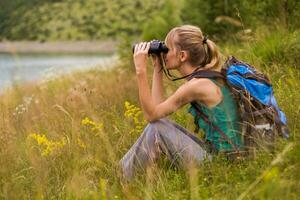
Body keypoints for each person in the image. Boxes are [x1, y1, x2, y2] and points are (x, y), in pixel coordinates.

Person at [119, 25, 243, 181]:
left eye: (167, 49)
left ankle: (123, 178)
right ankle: (123, 173)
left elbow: (151, 116)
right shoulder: (207, 77)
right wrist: (158, 67)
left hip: (222, 166)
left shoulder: (197, 85)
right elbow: (157, 114)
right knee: (159, 125)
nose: (164, 53)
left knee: (157, 129)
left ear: (182, 56)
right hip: (223, 157)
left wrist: (140, 72)